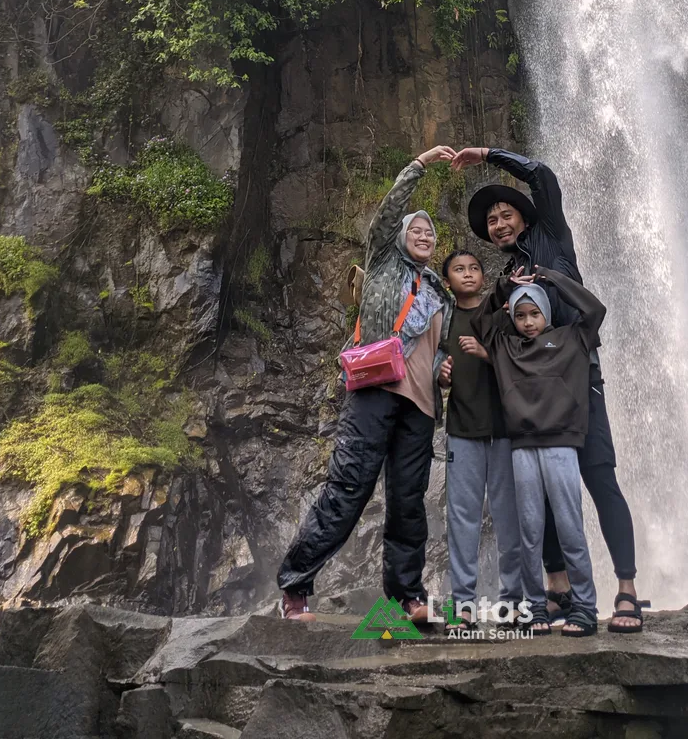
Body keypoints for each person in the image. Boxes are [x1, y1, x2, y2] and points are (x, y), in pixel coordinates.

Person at [454, 145, 645, 633]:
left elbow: (542, 175)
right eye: (491, 221)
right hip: (535, 394)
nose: (499, 224)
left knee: (600, 478)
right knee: (541, 489)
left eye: (505, 214)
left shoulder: (551, 238)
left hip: (580, 380)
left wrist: (487, 154)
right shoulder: (506, 279)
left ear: (524, 217)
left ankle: (627, 589)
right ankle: (558, 588)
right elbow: (489, 332)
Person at [276, 145, 456, 621]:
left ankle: (407, 596)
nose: (424, 236)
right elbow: (388, 214)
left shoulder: (440, 292)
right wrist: (419, 165)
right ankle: (294, 587)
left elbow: (439, 347)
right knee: (348, 488)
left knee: (408, 502)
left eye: (430, 232)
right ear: (399, 237)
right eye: (415, 230)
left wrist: (442, 366)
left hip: (421, 406)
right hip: (375, 392)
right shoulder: (382, 263)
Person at [474, 265, 606, 637]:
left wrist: (551, 279)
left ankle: (585, 607)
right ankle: (535, 609)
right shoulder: (505, 347)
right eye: (520, 316)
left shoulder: (572, 338)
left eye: (535, 313)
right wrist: (504, 287)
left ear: (546, 313)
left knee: (570, 528)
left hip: (562, 445)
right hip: (522, 447)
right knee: (529, 532)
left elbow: (595, 310)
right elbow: (481, 321)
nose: (528, 322)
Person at [438, 250, 523, 631]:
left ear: (483, 277)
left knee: (509, 518)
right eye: (459, 269)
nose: (468, 274)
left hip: (504, 430)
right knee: (462, 520)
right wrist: (439, 374)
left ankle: (513, 602)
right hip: (462, 429)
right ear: (447, 281)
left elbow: (522, 359)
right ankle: (463, 605)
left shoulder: (500, 315)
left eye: (474, 268)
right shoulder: (443, 320)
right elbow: (430, 363)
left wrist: (487, 354)